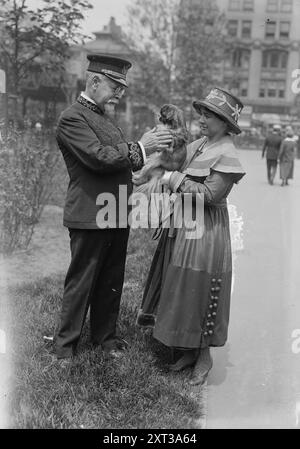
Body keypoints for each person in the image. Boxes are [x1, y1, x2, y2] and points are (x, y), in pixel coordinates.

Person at [54, 54, 172, 366]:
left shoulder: (104, 117)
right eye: (114, 85)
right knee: (82, 280)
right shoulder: (72, 117)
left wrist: (137, 171)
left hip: (116, 212)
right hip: (89, 216)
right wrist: (143, 146)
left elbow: (114, 163)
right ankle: (65, 347)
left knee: (110, 279)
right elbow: (99, 158)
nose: (119, 92)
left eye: (122, 87)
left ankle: (104, 338)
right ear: (93, 81)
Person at [136, 88, 246, 385]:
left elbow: (211, 194)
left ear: (225, 122)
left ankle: (204, 356)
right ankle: (186, 350)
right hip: (182, 223)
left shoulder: (227, 153)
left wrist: (173, 179)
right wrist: (157, 160)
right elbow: (174, 160)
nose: (202, 119)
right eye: (201, 113)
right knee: (180, 285)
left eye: (209, 115)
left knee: (200, 285)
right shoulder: (199, 144)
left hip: (206, 230)